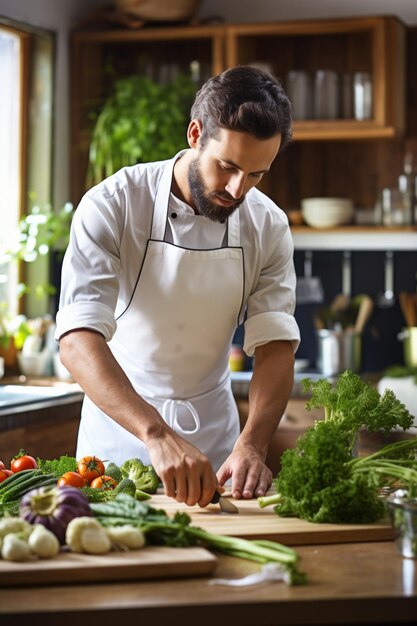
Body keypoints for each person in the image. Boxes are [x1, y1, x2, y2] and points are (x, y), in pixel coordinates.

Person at [55, 65, 300, 508]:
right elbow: (76, 340)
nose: (237, 188)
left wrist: (254, 444)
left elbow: (276, 345)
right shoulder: (113, 204)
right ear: (194, 134)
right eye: (226, 166)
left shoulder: (268, 224)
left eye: (257, 174)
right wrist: (155, 433)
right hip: (117, 446)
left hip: (217, 449)